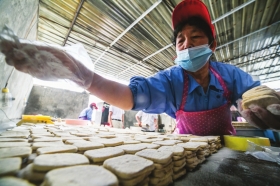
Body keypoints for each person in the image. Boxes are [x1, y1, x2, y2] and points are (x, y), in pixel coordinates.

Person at [1, 0, 280, 135]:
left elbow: (253, 94)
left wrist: (263, 108)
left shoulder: (229, 75)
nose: (186, 44)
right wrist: (87, 79)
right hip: (184, 154)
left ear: (212, 46)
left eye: (196, 38)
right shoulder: (172, 81)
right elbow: (132, 97)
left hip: (227, 150)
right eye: (180, 40)